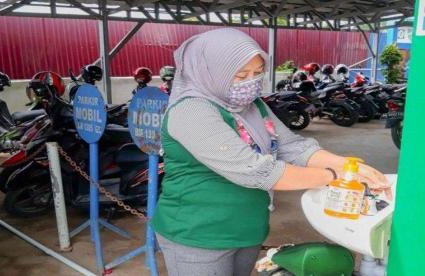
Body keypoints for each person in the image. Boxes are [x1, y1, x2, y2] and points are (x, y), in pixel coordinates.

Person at [151, 28, 391, 276]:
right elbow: (255, 170)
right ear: (210, 72)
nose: (250, 82)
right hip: (198, 235)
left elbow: (291, 146)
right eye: (240, 75)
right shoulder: (191, 111)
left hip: (247, 229)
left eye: (257, 73)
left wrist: (348, 165)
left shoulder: (252, 106)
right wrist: (334, 176)